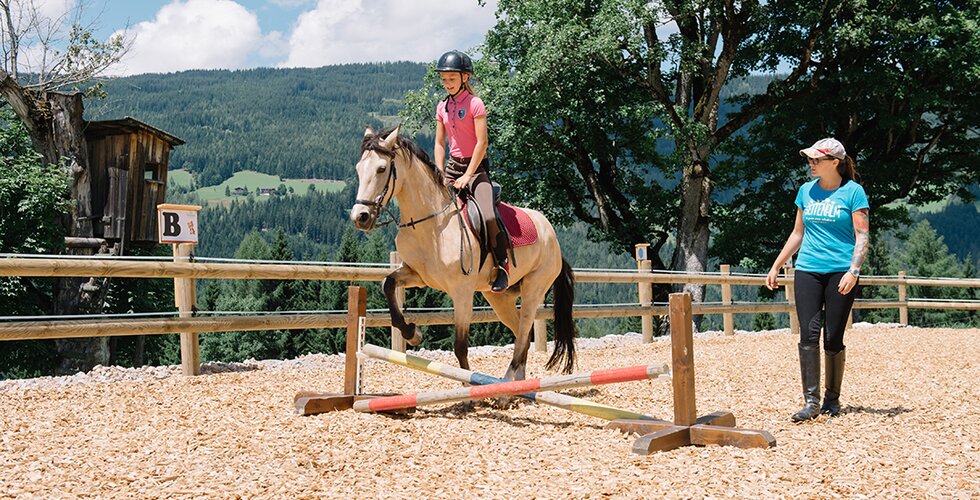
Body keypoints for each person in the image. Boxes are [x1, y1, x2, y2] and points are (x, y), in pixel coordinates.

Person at [765, 138, 870, 422]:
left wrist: (854, 271)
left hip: (841, 271)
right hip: (808, 270)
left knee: (833, 337)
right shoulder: (805, 192)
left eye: (816, 160)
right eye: (809, 160)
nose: (811, 164)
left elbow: (862, 236)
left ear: (834, 162)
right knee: (808, 335)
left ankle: (831, 400)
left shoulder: (853, 193)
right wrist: (776, 265)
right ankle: (811, 402)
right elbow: (797, 233)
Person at [432, 49, 509, 293]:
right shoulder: (442, 107)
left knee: (487, 214)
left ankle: (502, 265)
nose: (447, 84)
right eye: (444, 79)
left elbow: (482, 143)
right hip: (452, 168)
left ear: (465, 77)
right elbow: (438, 143)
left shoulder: (475, 104)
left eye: (451, 79)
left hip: (475, 171)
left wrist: (467, 176)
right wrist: (440, 171)